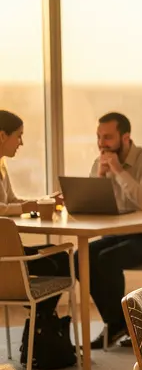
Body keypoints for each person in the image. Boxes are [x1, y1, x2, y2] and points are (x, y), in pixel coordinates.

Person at [75, 112, 142, 348]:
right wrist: (100, 180)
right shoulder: (100, 163)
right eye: (99, 137)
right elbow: (92, 210)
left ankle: (119, 326)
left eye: (107, 137)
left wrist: (119, 172)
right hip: (120, 235)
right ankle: (119, 324)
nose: (101, 143)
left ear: (125, 137)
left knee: (107, 259)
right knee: (82, 257)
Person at [0, 110, 70, 321]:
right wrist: (27, 207)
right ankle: (41, 323)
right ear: (2, 136)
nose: (20, 143)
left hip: (6, 253)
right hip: (5, 257)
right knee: (58, 262)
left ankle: (40, 323)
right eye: (18, 136)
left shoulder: (2, 166)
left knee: (61, 259)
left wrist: (42, 202)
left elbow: (11, 201)